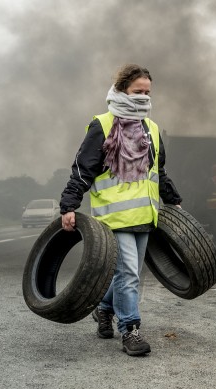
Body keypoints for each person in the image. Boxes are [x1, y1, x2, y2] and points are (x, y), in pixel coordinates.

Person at [59, 64, 182, 356]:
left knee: (130, 275)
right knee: (128, 275)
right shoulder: (102, 124)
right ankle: (131, 330)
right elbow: (82, 169)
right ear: (122, 89)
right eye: (137, 91)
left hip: (144, 216)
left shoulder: (150, 128)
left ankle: (103, 309)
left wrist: (173, 200)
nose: (143, 97)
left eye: (147, 93)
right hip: (113, 218)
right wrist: (69, 205)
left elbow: (158, 171)